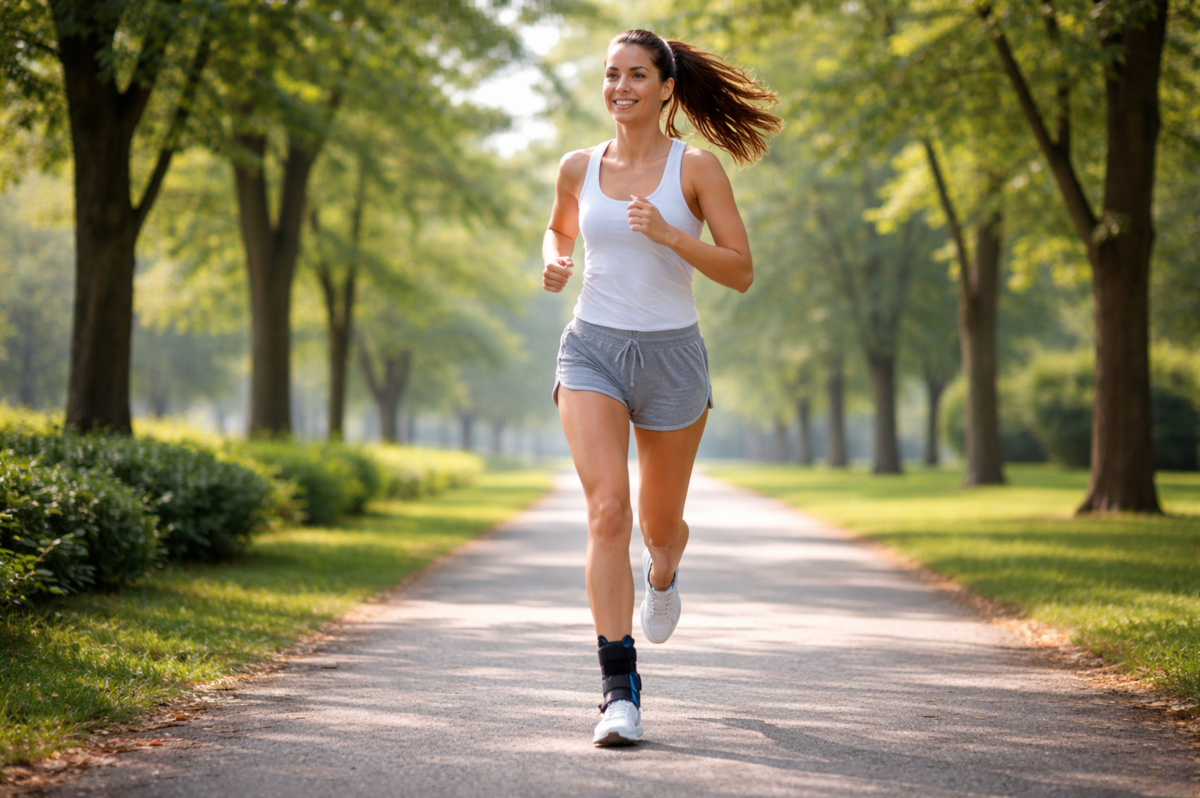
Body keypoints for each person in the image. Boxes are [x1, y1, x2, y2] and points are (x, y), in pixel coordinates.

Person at [541, 29, 781, 747]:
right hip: (592, 351)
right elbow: (557, 231)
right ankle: (619, 690)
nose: (620, 87)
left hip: (674, 358)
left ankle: (667, 571)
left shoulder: (696, 169)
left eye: (637, 75)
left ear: (667, 87)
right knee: (607, 512)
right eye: (611, 75)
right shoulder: (578, 166)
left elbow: (740, 269)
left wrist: (673, 236)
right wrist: (555, 260)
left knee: (657, 527)